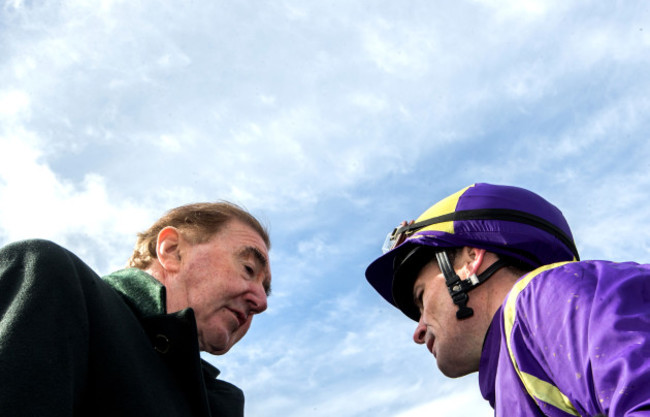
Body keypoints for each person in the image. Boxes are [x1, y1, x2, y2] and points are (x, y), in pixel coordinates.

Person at [365, 183, 650, 416]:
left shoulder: (543, 300)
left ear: (471, 260)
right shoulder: (513, 377)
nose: (419, 330)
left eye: (421, 298)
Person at [0, 202, 271, 417]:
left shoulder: (221, 400)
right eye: (248, 268)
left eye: (265, 288)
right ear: (172, 250)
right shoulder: (53, 278)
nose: (261, 303)